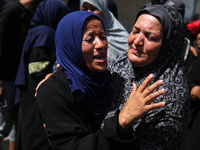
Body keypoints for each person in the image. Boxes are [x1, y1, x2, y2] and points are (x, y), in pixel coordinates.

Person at [32, 10, 166, 150]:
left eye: (102, 36)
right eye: (89, 39)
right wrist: (122, 120)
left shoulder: (109, 80)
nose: (101, 45)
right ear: (71, 46)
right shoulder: (54, 91)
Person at [106, 4, 190, 149]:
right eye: (135, 31)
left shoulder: (169, 94)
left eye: (150, 37)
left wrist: (125, 119)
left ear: (167, 46)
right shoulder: (120, 64)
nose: (137, 41)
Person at [14, 0, 70, 149]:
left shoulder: (38, 30)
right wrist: (54, 74)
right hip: (36, 91)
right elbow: (36, 67)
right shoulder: (45, 33)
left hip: (30, 91)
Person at [0, 0, 43, 149]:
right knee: (3, 125)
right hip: (5, 78)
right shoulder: (11, 10)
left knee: (13, 124)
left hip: (17, 78)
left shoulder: (32, 14)